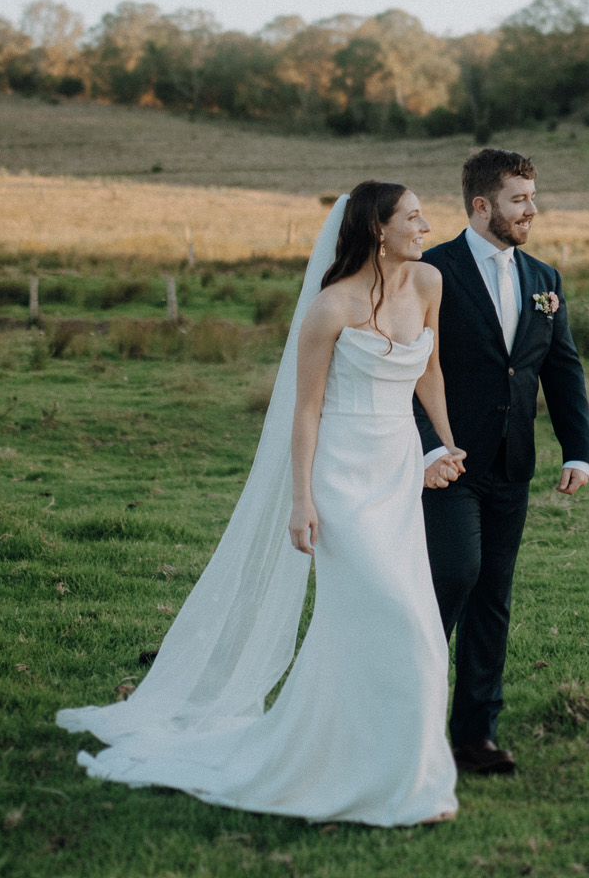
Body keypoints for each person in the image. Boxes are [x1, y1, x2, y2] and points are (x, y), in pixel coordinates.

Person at [58, 182, 466, 826]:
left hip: (395, 473)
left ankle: (399, 774)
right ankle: (340, 768)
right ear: (377, 230)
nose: (426, 225)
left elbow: (432, 370)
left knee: (406, 623)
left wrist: (443, 443)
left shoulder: (429, 285)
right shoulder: (330, 308)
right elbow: (304, 410)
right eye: (413, 217)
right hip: (341, 476)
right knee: (393, 620)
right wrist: (301, 499)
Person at [414, 147, 589, 775]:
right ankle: (409, 716)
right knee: (454, 574)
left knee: (493, 596)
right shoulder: (429, 270)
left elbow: (560, 368)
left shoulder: (544, 280)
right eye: (520, 199)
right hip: (446, 460)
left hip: (513, 461)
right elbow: (403, 371)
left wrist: (579, 450)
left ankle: (474, 737)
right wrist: (429, 446)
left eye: (533, 197)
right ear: (482, 205)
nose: (533, 209)